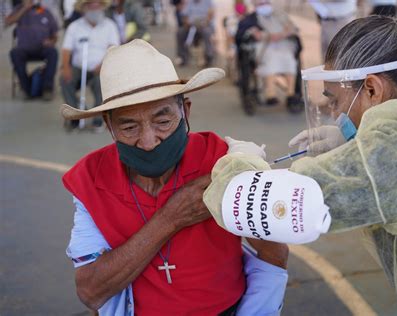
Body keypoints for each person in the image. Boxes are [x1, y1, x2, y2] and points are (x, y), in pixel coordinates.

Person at [204, 16, 397, 315]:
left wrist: (240, 161)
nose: (334, 114)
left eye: (335, 101)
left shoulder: (394, 147)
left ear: (372, 89)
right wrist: (350, 142)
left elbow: (258, 204)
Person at [61, 39, 289, 315]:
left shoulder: (222, 162)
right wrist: (172, 217)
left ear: (185, 111)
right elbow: (90, 291)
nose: (148, 141)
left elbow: (274, 254)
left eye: (163, 121)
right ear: (109, 126)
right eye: (129, 126)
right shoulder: (91, 178)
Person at [60, 0, 120, 130]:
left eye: (97, 4)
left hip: (101, 68)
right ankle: (76, 116)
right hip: (79, 67)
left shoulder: (110, 26)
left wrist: (104, 65)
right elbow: (66, 50)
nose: (94, 7)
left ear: (102, 7)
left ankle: (99, 118)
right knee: (64, 79)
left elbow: (114, 50)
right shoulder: (74, 26)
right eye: (90, 4)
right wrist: (66, 68)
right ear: (84, 8)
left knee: (101, 83)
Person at [235, 0, 301, 110]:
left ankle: (291, 94)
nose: (264, 6)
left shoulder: (280, 16)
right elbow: (245, 35)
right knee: (271, 58)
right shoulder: (250, 19)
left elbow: (293, 29)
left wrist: (280, 35)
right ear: (255, 6)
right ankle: (270, 94)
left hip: (284, 46)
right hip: (263, 48)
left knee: (290, 59)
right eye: (261, 4)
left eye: (266, 3)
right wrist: (267, 36)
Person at [6, 0, 59, 100]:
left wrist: (51, 41)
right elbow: (8, 22)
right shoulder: (18, 9)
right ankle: (25, 88)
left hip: (43, 48)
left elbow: (55, 35)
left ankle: (47, 88)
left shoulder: (45, 11)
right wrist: (24, 8)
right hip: (24, 48)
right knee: (14, 53)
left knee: (53, 52)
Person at [176, 0, 215, 67]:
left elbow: (211, 14)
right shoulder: (189, 2)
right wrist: (187, 22)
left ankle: (208, 57)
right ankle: (183, 57)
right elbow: (184, 15)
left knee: (207, 32)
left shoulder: (208, 2)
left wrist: (205, 22)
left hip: (204, 25)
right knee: (180, 32)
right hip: (191, 26)